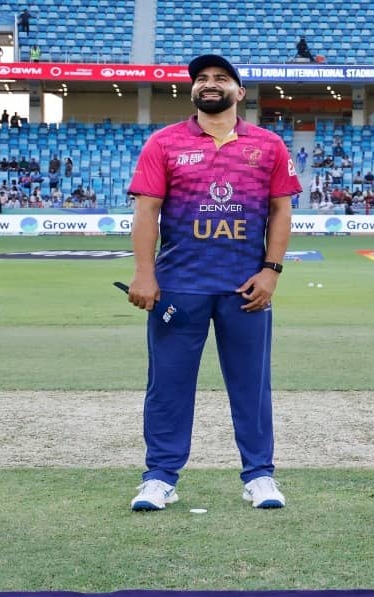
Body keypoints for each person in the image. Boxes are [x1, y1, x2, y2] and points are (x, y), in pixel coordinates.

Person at [125, 54, 301, 511]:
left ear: (239, 92)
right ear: (192, 91)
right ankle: (160, 477)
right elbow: (146, 211)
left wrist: (271, 270)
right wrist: (144, 273)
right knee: (168, 384)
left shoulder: (268, 144)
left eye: (221, 78)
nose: (209, 84)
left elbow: (282, 211)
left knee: (251, 384)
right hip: (180, 287)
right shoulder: (164, 143)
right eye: (201, 78)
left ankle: (260, 475)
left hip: (246, 287)